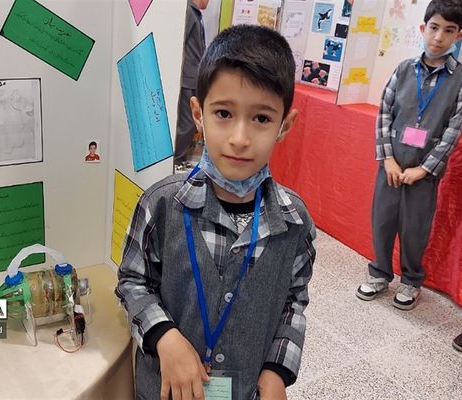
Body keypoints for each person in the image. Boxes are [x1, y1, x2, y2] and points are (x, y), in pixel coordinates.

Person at [116, 24, 315, 400]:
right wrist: (164, 336)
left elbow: (294, 300)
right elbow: (131, 282)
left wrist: (277, 369)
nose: (240, 138)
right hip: (166, 390)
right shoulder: (161, 204)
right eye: (223, 113)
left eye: (261, 119)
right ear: (198, 113)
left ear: (284, 125)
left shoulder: (294, 221)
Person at [356, 0, 462, 311]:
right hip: (391, 164)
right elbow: (384, 114)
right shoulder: (403, 70)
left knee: (415, 228)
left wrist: (425, 169)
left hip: (423, 172)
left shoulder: (461, 80)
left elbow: (453, 130)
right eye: (434, 27)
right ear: (423, 28)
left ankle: (411, 280)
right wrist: (387, 159)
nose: (439, 37)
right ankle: (379, 273)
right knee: (382, 221)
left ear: (458, 36)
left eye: (449, 31)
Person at [174, 0, 209, 171]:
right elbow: (179, 42)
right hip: (188, 76)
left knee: (190, 122)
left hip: (194, 76)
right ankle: (176, 159)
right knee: (186, 122)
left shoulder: (195, 13)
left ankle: (180, 158)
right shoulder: (187, 11)